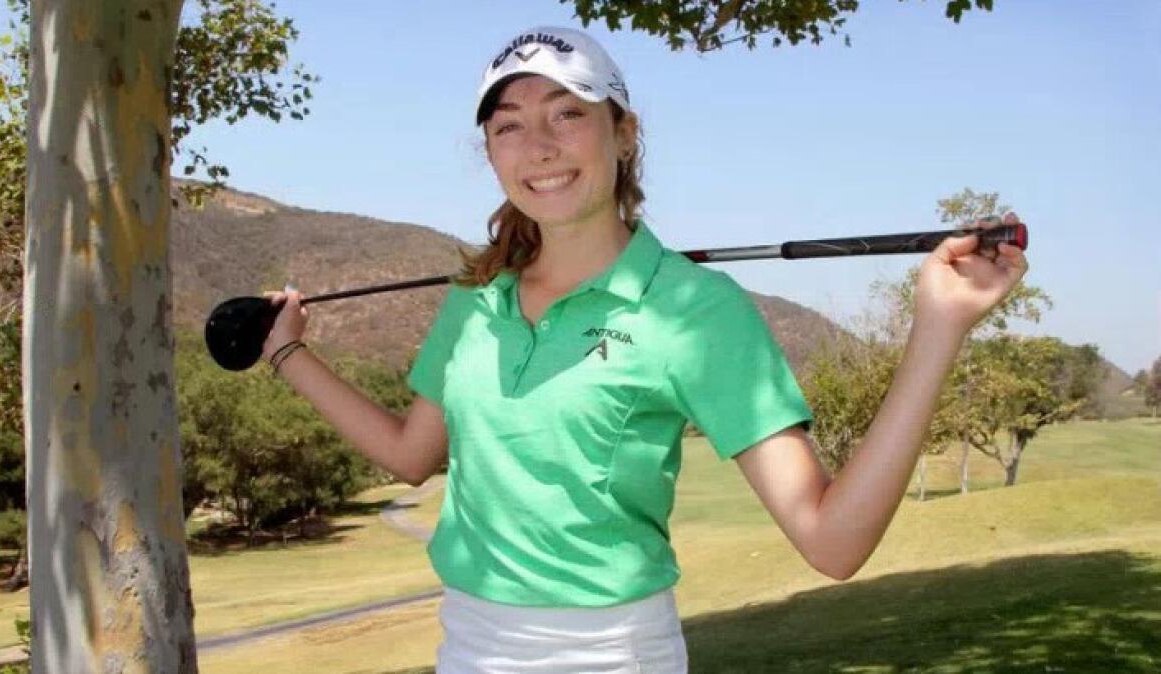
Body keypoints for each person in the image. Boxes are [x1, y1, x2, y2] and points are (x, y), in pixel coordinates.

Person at [259, 25, 1028, 674]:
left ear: (623, 134)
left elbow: (834, 541)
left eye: (568, 114)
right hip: (466, 649)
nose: (540, 145)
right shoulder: (475, 300)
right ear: (490, 153)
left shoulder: (696, 313)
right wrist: (290, 354)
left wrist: (938, 330)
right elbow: (410, 453)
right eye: (510, 124)